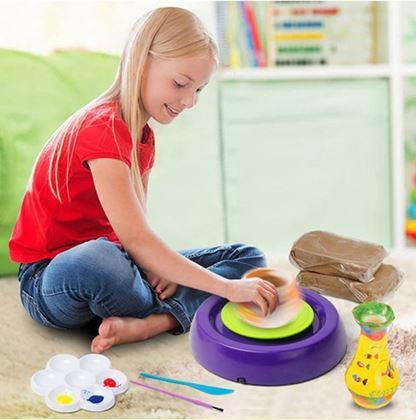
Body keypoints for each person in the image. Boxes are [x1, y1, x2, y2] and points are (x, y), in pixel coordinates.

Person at [9, 7, 279, 354]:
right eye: (180, 84)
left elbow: (136, 234)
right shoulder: (102, 129)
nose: (189, 101)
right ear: (142, 62)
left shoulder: (142, 136)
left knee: (247, 257)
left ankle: (157, 321)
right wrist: (225, 289)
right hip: (51, 280)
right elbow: (135, 240)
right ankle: (167, 309)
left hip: (120, 262)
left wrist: (155, 265)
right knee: (100, 257)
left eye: (199, 90)